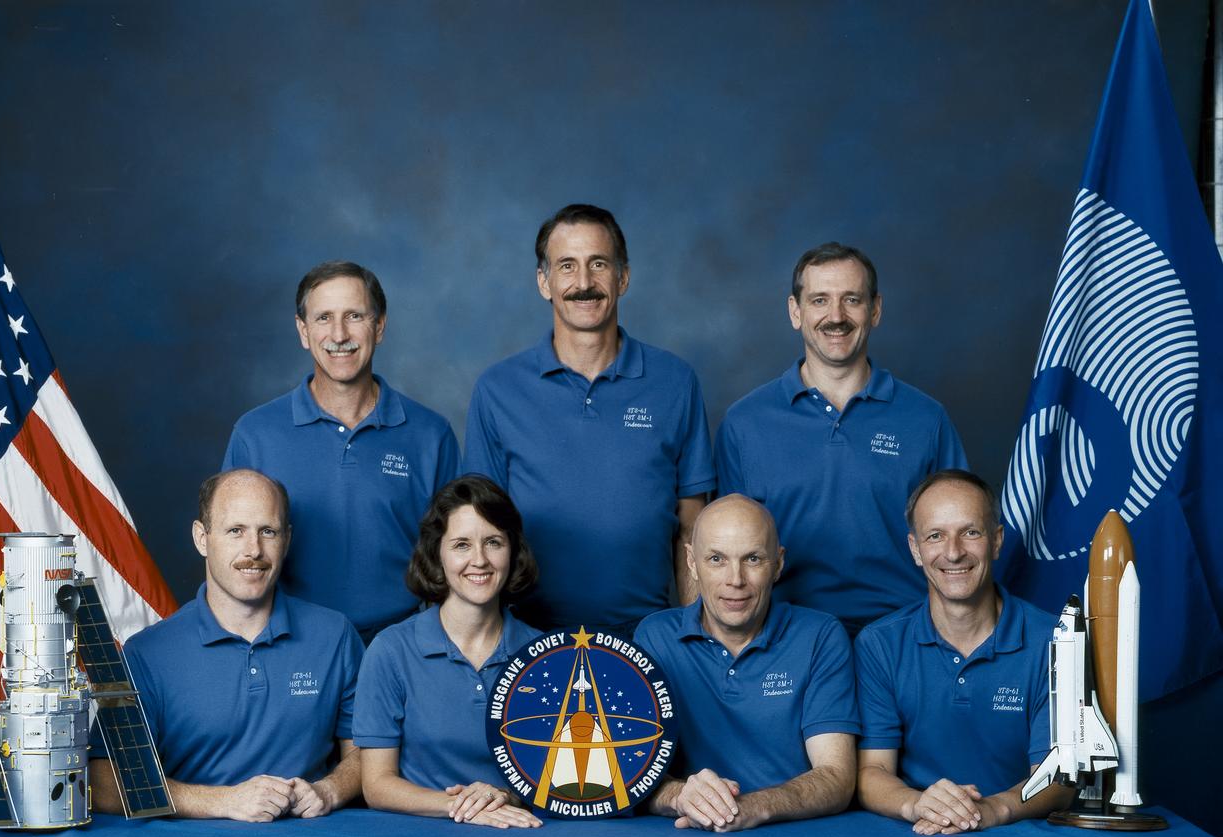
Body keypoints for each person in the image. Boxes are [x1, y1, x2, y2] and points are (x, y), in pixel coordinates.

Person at [465, 204, 714, 637]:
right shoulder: (498, 389)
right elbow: (479, 526)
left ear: (623, 277)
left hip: (648, 632)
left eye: (598, 264)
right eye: (567, 266)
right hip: (527, 633)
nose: (583, 284)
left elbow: (693, 526)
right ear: (544, 282)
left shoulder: (675, 382)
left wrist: (692, 636)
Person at [714, 242, 967, 636]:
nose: (836, 316)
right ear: (795, 312)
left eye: (852, 299)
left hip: (903, 634)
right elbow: (724, 548)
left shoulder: (925, 419)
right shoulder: (745, 422)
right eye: (819, 300)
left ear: (875, 310)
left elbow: (960, 536)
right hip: (784, 638)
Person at [89, 469, 362, 822]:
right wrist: (223, 801)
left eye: (268, 531)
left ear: (287, 539)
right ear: (202, 538)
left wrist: (330, 790)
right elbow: (102, 779)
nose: (254, 551)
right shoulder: (147, 653)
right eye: (236, 531)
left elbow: (367, 752)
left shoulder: (334, 635)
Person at [223, 260, 459, 644]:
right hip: (289, 644)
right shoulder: (256, 434)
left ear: (379, 326)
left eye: (354, 316)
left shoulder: (430, 434)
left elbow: (455, 557)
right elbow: (229, 558)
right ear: (303, 331)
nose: (339, 334)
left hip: (401, 643)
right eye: (323, 318)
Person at [855, 470, 1072, 834]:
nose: (953, 552)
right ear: (915, 549)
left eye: (970, 532)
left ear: (997, 540)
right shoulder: (880, 644)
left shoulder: (1055, 641)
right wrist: (917, 804)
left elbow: (1057, 780)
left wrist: (993, 809)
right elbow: (871, 771)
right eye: (935, 536)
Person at [636, 495, 858, 832]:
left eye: (752, 559)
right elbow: (629, 768)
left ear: (778, 563)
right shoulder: (654, 637)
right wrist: (679, 795)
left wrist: (753, 807)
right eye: (716, 559)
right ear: (691, 562)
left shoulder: (820, 636)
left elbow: (837, 776)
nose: (735, 579)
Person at [355, 475, 543, 828]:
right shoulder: (391, 651)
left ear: (513, 550)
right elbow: (376, 785)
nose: (480, 560)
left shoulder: (545, 656)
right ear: (436, 553)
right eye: (461, 545)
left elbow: (554, 776)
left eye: (493, 542)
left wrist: (504, 796)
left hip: (517, 835)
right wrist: (465, 807)